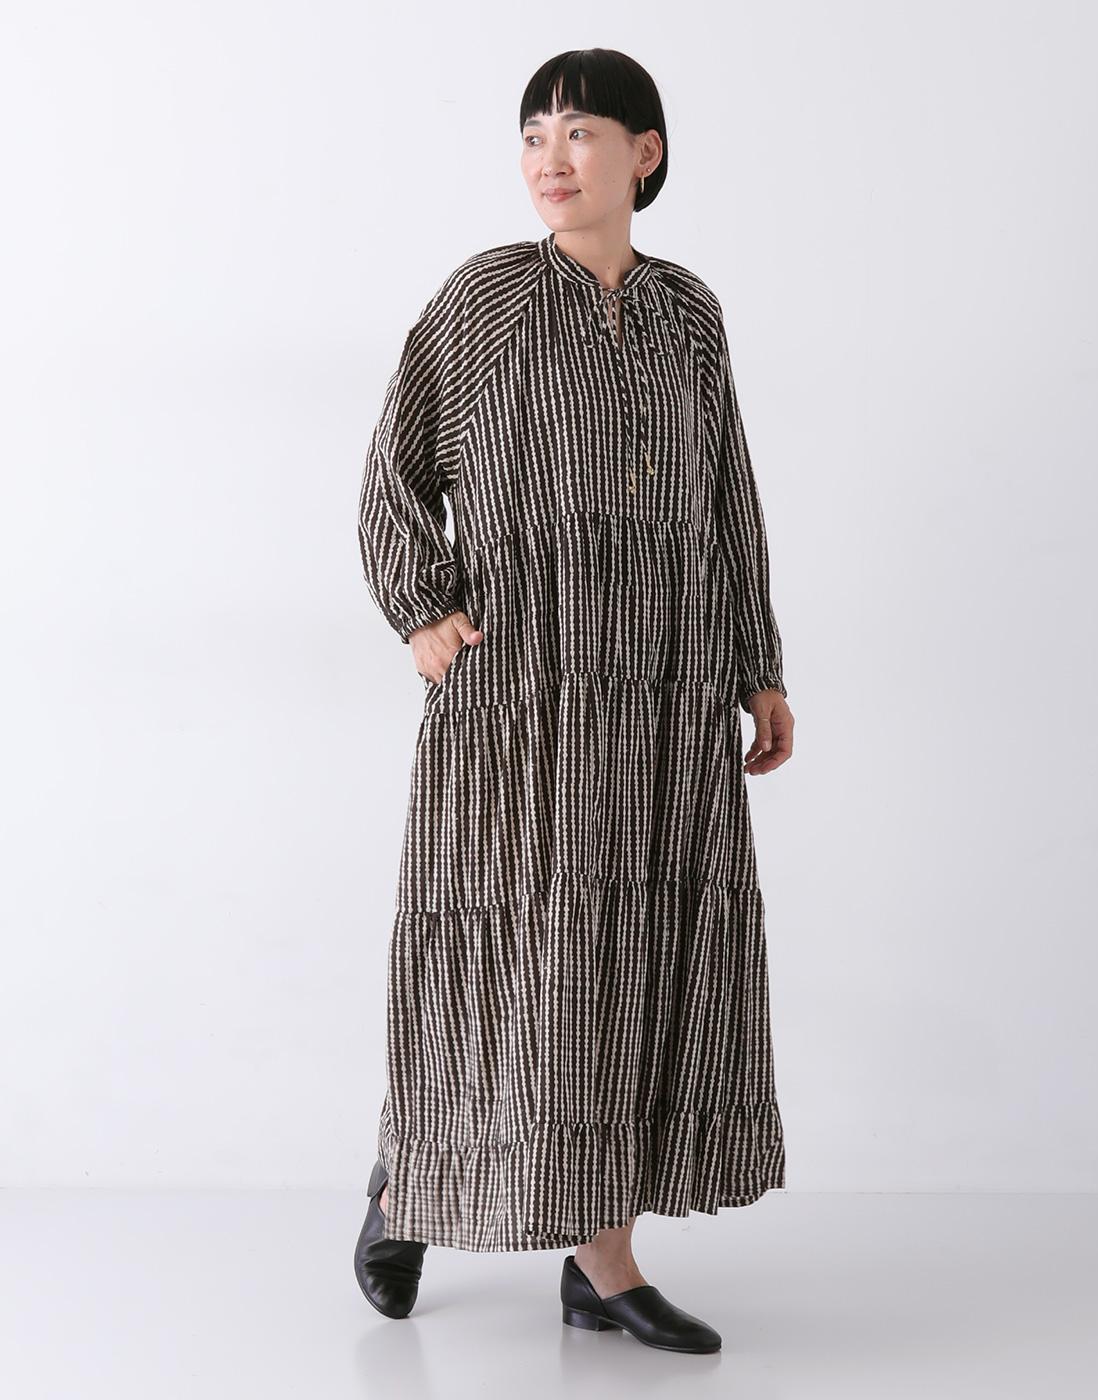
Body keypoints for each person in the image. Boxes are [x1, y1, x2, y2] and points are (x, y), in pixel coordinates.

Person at [353, 48, 792, 1355]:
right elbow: (392, 467)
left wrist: (757, 662)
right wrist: (422, 608)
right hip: (520, 697)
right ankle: (424, 1191)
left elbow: (728, 499)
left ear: (644, 154)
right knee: (503, 957)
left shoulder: (689, 314)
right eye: (535, 134)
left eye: (582, 132)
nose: (553, 158)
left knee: (628, 964)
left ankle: (587, 1258)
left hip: (662, 692)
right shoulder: (485, 299)